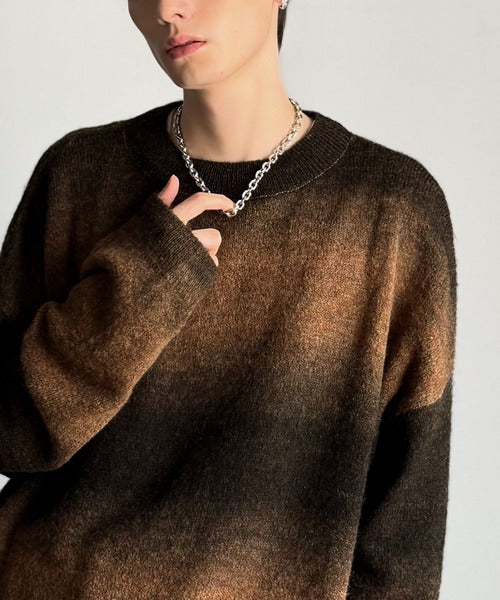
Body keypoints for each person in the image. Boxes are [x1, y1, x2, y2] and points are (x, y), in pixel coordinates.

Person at [0, 1, 457, 599]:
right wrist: (140, 288)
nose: (168, 9)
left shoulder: (391, 210)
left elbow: (403, 532)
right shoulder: (79, 173)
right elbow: (10, 435)